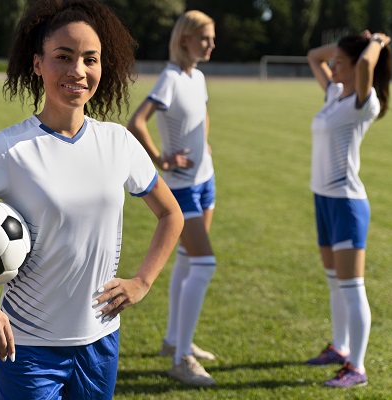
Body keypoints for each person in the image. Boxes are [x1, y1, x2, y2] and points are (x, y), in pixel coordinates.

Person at [0, 1, 184, 398]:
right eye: (63, 57)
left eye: (91, 59)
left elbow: (171, 213)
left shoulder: (119, 142)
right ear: (38, 64)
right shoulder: (8, 150)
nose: (78, 71)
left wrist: (142, 281)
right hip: (26, 344)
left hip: (100, 340)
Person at [127, 10, 217, 387]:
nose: (212, 44)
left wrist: (206, 150)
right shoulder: (171, 77)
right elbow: (137, 122)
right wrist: (162, 157)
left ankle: (173, 341)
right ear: (185, 40)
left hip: (206, 180)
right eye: (205, 38)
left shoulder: (198, 77)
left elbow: (204, 120)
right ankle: (181, 360)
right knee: (205, 263)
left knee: (187, 260)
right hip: (180, 186)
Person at [305, 30, 392, 388]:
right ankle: (340, 348)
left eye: (341, 62)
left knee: (352, 286)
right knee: (334, 283)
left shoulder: (363, 100)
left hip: (347, 203)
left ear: (358, 66)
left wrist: (377, 41)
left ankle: (356, 367)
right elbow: (314, 56)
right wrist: (343, 47)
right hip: (323, 198)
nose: (333, 65)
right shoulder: (334, 92)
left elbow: (368, 61)